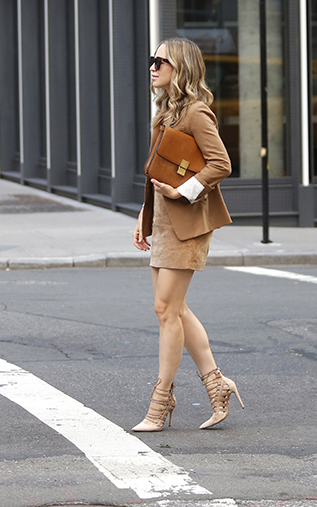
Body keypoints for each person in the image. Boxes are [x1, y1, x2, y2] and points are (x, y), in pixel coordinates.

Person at [132, 37, 243, 432]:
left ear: (180, 68)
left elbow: (221, 164)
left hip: (188, 225)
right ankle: (218, 385)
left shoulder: (196, 113)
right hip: (163, 222)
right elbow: (157, 171)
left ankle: (161, 403)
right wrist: (145, 214)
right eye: (152, 60)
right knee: (172, 309)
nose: (153, 66)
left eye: (161, 61)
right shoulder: (166, 113)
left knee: (165, 310)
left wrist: (184, 190)